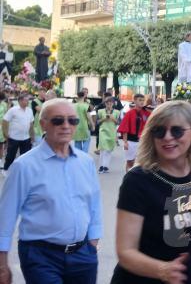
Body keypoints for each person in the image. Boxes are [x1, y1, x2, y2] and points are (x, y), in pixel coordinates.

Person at [0, 98, 102, 284]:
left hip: (83, 255)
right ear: (43, 124)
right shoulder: (24, 166)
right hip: (41, 257)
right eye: (58, 120)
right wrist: (2, 263)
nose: (66, 125)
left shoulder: (85, 162)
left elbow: (94, 203)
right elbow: (5, 216)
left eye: (72, 120)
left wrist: (93, 241)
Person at [113, 101, 191, 284]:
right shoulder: (138, 180)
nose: (167, 137)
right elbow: (125, 252)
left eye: (177, 131)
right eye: (159, 131)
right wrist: (163, 270)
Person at [2, 94, 34, 171]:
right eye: (25, 100)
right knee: (10, 155)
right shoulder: (13, 110)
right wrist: (5, 133)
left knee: (25, 156)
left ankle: (22, 171)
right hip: (14, 137)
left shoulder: (29, 110)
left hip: (26, 138)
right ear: (20, 101)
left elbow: (31, 124)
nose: (27, 102)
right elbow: (5, 121)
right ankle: (6, 169)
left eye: (28, 100)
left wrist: (32, 135)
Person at [119, 94, 151, 172]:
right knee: (130, 162)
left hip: (141, 141)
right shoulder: (129, 113)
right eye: (140, 100)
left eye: (143, 100)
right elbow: (124, 128)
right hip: (131, 141)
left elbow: (151, 123)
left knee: (141, 162)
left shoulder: (146, 113)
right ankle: (128, 178)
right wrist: (125, 142)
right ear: (135, 101)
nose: (142, 102)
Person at [96, 98, 121, 173]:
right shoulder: (100, 111)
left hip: (112, 132)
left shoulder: (117, 112)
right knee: (103, 149)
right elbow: (97, 122)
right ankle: (101, 166)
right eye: (107, 103)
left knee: (109, 149)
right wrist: (104, 118)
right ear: (105, 104)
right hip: (103, 131)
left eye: (111, 103)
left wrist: (113, 118)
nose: (109, 105)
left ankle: (106, 166)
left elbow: (118, 123)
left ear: (113, 104)